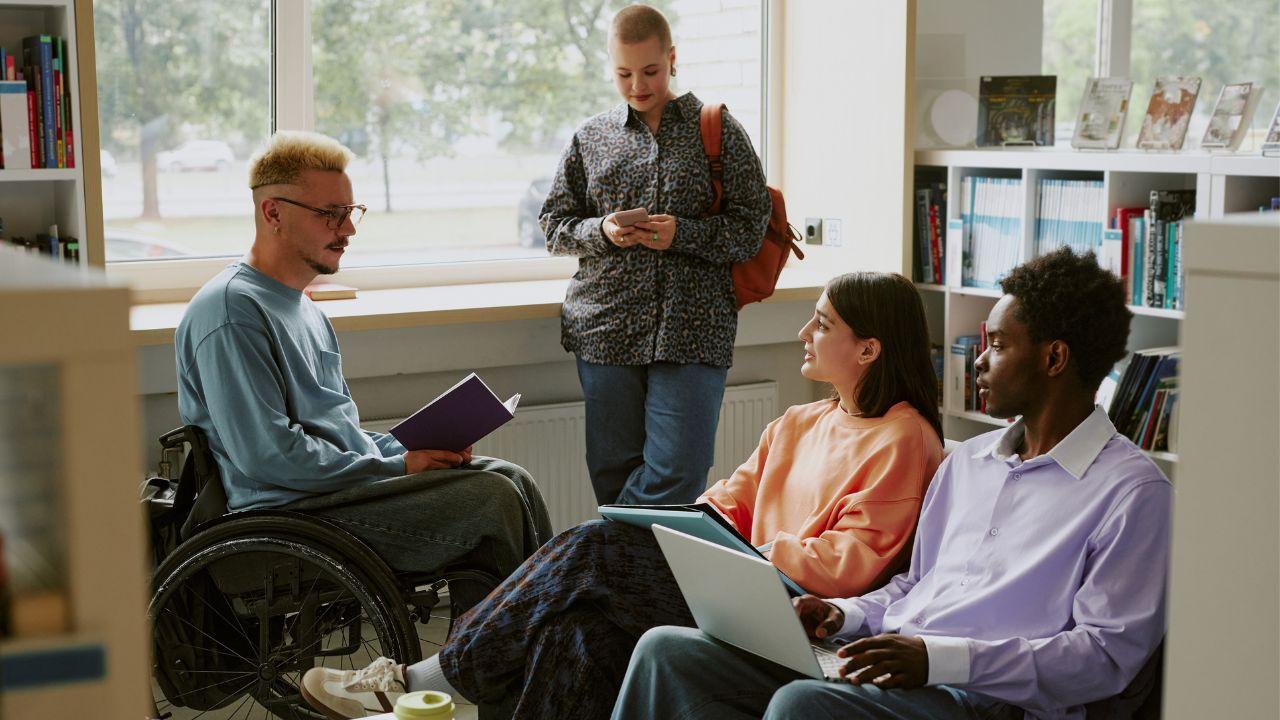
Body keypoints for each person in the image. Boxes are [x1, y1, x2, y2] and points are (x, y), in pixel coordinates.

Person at [301, 272, 944, 719]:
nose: (805, 330)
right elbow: (725, 502)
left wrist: (740, 552)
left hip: (789, 611)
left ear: (868, 347)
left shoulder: (905, 440)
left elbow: (847, 567)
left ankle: (411, 682)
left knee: (594, 550)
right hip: (731, 580)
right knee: (575, 630)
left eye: (823, 322)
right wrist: (688, 532)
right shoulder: (800, 422)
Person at [613, 248, 1172, 720]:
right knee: (667, 650)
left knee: (804, 706)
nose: (979, 361)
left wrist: (939, 659)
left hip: (985, 698)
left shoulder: (1131, 494)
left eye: (999, 346)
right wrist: (842, 614)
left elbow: (1105, 658)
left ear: (1054, 358)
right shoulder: (970, 463)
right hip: (890, 660)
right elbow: (914, 588)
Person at [175, 130, 552, 609]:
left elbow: (338, 436)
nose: (348, 230)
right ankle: (502, 662)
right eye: (330, 214)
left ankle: (535, 646)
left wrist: (414, 446)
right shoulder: (231, 312)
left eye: (350, 213)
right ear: (273, 212)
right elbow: (267, 456)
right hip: (285, 517)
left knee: (511, 478)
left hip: (329, 498)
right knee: (491, 500)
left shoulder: (304, 308)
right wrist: (396, 465)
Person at [539, 3, 772, 506]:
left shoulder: (719, 130)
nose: (638, 86)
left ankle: (603, 562)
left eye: (650, 71)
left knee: (677, 471)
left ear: (672, 58)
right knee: (611, 472)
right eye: (624, 73)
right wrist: (602, 230)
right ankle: (634, 580)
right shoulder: (591, 137)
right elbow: (554, 226)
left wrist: (682, 235)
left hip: (693, 328)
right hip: (605, 326)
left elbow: (752, 229)